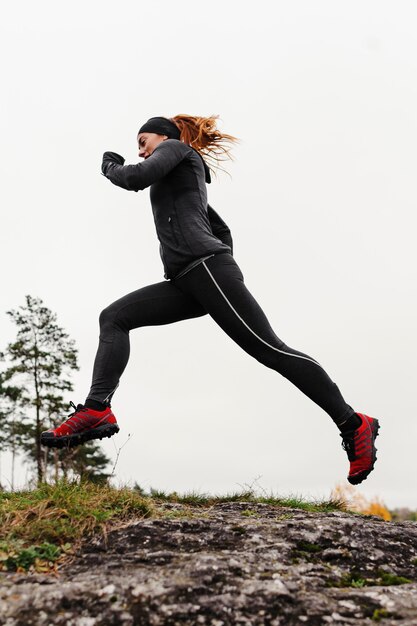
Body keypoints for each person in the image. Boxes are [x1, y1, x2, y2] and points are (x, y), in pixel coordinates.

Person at [40, 114, 380, 485]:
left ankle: (353, 423)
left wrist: (110, 165)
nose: (139, 150)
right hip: (191, 279)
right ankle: (97, 410)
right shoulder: (181, 179)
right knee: (115, 317)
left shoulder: (176, 149)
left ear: (165, 137)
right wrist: (217, 260)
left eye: (143, 141)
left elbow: (133, 179)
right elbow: (219, 227)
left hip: (205, 270)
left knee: (270, 349)